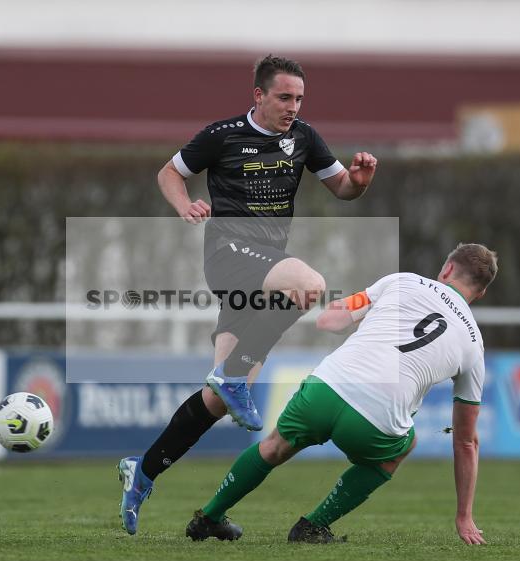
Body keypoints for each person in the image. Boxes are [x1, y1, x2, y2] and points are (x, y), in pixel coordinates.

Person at [118, 54, 378, 535]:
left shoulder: (304, 138)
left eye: (299, 98)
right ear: (258, 95)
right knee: (311, 286)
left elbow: (341, 186)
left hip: (264, 268)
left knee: (215, 399)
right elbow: (169, 174)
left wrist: (358, 183)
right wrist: (183, 206)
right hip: (227, 253)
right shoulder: (221, 135)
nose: (292, 107)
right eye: (284, 97)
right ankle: (233, 379)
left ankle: (144, 470)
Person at [184, 243, 497, 545]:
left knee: (273, 446)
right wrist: (463, 516)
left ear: (448, 268)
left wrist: (371, 321)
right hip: (376, 420)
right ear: (480, 293)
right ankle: (313, 525)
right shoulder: (474, 344)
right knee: (405, 444)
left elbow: (328, 321)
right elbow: (466, 440)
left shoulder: (403, 281)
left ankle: (209, 516)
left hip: (328, 387)